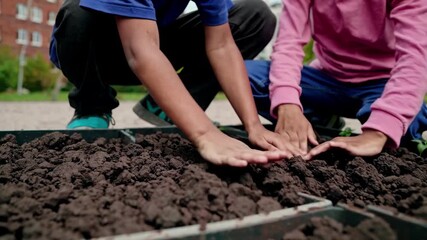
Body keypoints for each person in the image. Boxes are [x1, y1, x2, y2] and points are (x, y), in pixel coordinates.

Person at [49, 0, 302, 167]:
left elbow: (221, 45)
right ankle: (92, 105)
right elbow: (140, 50)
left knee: (255, 15)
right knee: (77, 10)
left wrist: (254, 126)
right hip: (100, 49)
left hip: (153, 38)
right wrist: (206, 134)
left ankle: (167, 107)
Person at [245, 0, 427, 159]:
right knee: (243, 76)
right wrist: (287, 104)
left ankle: (379, 122)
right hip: (326, 78)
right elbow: (288, 44)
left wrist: (379, 132)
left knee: (403, 122)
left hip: (382, 84)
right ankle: (319, 118)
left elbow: (414, 61)